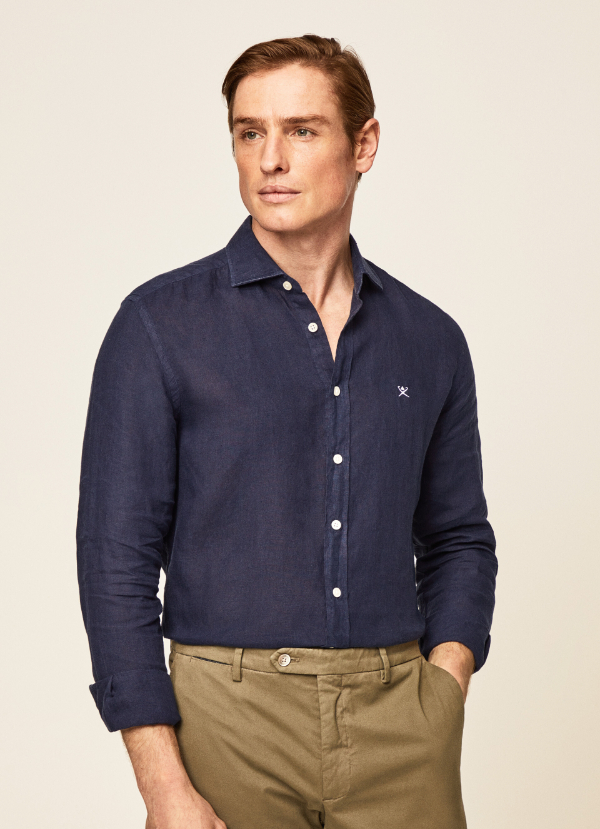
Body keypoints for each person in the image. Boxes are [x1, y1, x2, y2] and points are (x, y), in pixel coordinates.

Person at [76, 34, 497, 829]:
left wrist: (443, 688)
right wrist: (162, 784)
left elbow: (459, 538)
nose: (270, 159)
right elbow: (114, 562)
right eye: (250, 132)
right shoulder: (159, 326)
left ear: (363, 145)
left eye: (301, 130)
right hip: (227, 718)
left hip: (399, 718)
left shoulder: (430, 339)